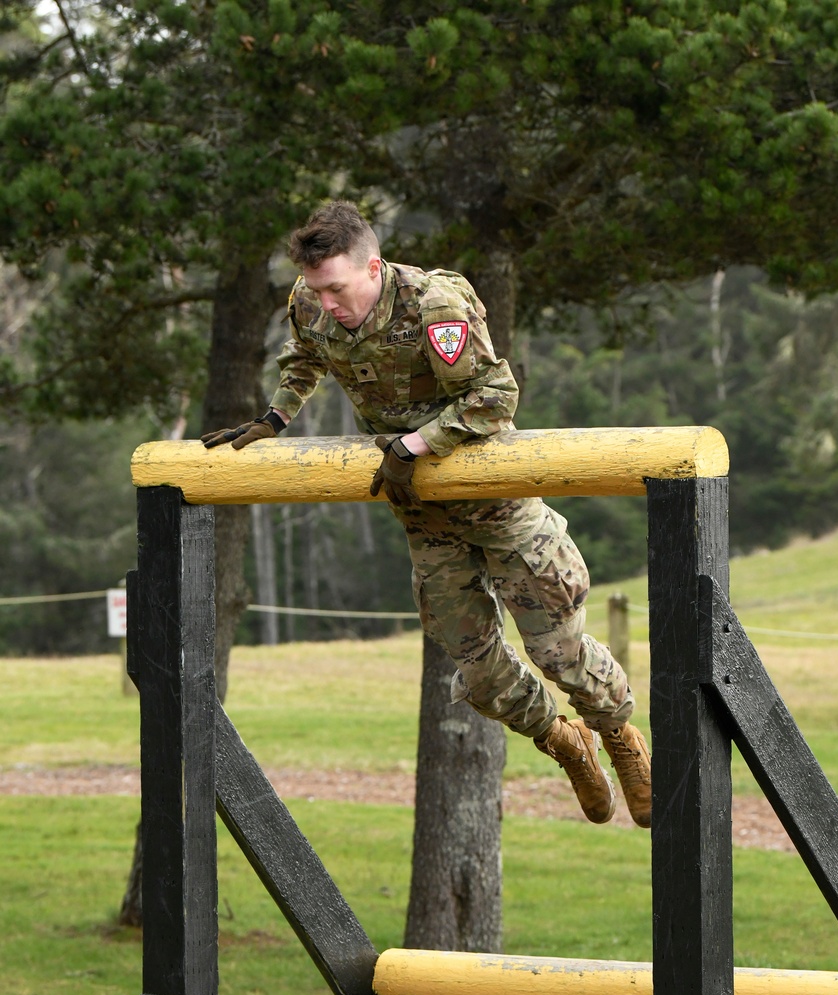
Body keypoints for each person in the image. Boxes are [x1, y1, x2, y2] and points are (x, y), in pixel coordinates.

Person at [202, 200, 652, 827]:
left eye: (337, 288)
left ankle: (618, 733)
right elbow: (305, 356)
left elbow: (496, 395)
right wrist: (276, 417)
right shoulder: (311, 304)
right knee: (479, 671)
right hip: (426, 514)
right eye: (316, 289)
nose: (327, 302)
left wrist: (412, 446)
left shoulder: (432, 305)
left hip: (498, 503)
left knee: (558, 653)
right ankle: (564, 741)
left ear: (374, 267)